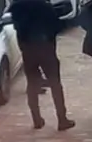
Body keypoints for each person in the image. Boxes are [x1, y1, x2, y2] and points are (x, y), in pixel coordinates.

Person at [7, 0, 73, 130]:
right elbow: (57, 26)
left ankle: (36, 119)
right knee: (55, 84)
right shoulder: (44, 5)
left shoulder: (16, 6)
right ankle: (62, 119)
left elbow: (16, 26)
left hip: (27, 50)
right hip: (45, 48)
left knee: (32, 84)